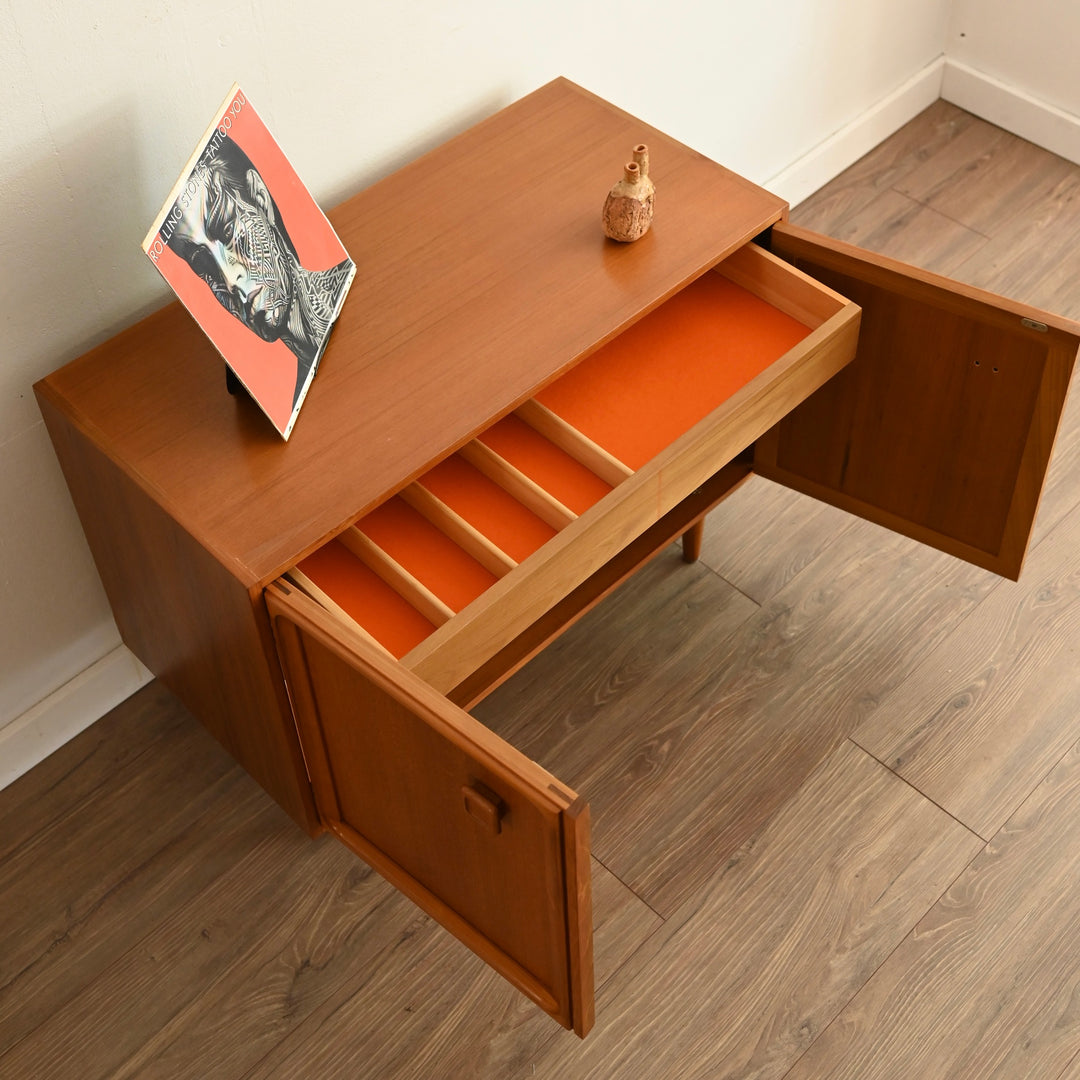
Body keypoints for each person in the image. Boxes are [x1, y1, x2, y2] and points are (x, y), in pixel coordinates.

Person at [165, 137, 353, 408]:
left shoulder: (350, 284)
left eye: (228, 231)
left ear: (260, 200)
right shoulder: (297, 404)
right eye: (203, 265)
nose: (230, 281)